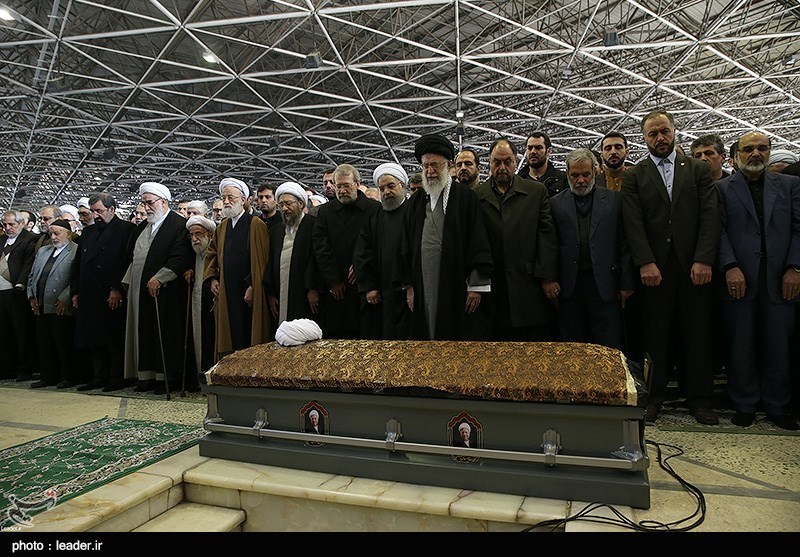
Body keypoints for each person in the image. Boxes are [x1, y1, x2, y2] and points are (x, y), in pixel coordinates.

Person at [621, 109, 721, 425]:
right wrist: (645, 262)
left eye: (664, 131)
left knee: (697, 335)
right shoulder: (634, 175)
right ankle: (653, 397)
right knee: (655, 337)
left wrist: (704, 259)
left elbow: (710, 215)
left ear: (675, 131)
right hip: (655, 271)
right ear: (644, 138)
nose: (660, 138)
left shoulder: (697, 170)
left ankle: (700, 400)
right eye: (653, 134)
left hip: (694, 268)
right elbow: (633, 222)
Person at [717, 131, 800, 431]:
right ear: (736, 156)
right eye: (748, 149)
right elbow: (718, 230)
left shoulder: (789, 185)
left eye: (761, 148)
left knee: (779, 344)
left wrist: (795, 268)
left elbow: (798, 228)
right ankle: (744, 404)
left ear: (769, 151)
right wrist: (730, 266)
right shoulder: (722, 189)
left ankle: (777, 405)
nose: (755, 154)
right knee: (741, 343)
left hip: (780, 278)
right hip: (740, 277)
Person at [399, 134, 493, 340]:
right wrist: (410, 287)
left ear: (449, 165)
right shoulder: (415, 203)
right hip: (422, 283)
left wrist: (476, 287)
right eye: (425, 166)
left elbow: (478, 242)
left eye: (435, 165)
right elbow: (405, 246)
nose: (430, 171)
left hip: (456, 283)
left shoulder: (466, 198)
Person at [549, 148, 635, 350]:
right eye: (575, 175)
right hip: (570, 288)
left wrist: (627, 283)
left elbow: (624, 244)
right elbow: (550, 245)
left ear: (595, 171)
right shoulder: (554, 204)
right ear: (567, 174)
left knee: (609, 347)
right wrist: (549, 279)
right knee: (572, 349)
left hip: (605, 287)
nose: (581, 180)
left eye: (586, 174)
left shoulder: (614, 200)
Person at [473, 138, 557, 341]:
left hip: (529, 286)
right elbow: (473, 243)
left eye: (507, 162)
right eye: (496, 162)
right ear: (489, 163)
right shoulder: (476, 196)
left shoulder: (536, 192)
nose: (502, 167)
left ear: (516, 161)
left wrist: (547, 276)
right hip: (492, 289)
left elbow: (546, 236)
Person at [123, 182, 193, 394]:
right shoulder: (143, 227)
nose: (146, 208)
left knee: (165, 333)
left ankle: (166, 377)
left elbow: (181, 256)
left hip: (167, 292)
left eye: (150, 203)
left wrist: (161, 278)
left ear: (163, 202)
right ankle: (146, 376)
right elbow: (133, 258)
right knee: (143, 331)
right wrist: (127, 282)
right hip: (140, 290)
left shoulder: (179, 225)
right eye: (144, 203)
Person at [72, 193, 137, 392]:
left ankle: (116, 377)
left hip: (111, 292)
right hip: (89, 293)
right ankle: (99, 376)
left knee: (113, 338)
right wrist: (75, 291)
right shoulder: (88, 232)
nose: (95, 215)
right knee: (94, 338)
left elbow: (125, 261)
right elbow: (79, 264)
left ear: (111, 209)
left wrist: (116, 288)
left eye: (99, 211)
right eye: (93, 211)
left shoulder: (126, 229)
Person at [204, 177, 271, 360]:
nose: (226, 201)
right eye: (224, 198)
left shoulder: (255, 224)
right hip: (227, 290)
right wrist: (213, 278)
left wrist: (252, 285)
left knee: (247, 334)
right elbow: (212, 253)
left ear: (243, 200)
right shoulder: (222, 227)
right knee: (229, 335)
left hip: (248, 291)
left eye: (230, 197)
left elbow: (262, 260)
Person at [313, 164, 380, 339]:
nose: (342, 191)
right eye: (338, 186)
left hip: (365, 284)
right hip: (337, 288)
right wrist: (333, 279)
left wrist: (361, 267)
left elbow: (377, 244)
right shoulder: (326, 212)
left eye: (346, 186)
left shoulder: (374, 209)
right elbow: (321, 247)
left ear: (357, 184)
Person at [353, 162, 412, 340]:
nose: (386, 192)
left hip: (407, 290)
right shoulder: (375, 217)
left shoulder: (414, 213)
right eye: (382, 188)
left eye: (391, 186)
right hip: (381, 292)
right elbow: (363, 252)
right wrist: (369, 286)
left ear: (402, 185)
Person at [26, 218, 78, 389]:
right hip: (41, 304)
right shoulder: (43, 251)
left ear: (68, 234)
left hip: (60, 305)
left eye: (57, 233)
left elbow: (76, 279)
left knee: (63, 343)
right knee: (45, 342)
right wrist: (31, 296)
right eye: (51, 234)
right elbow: (32, 276)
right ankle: (48, 376)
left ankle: (68, 376)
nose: (53, 237)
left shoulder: (75, 251)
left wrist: (65, 298)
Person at [264, 182, 323, 330]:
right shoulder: (277, 230)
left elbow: (317, 259)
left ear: (301, 203)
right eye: (281, 205)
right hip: (280, 291)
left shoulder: (313, 225)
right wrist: (270, 294)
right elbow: (270, 262)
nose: (284, 208)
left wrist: (313, 288)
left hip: (305, 292)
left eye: (288, 204)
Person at [0, 210, 38, 380]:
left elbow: (28, 265)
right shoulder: (1, 240)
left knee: (22, 332)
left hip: (17, 292)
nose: (7, 228)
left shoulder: (30, 239)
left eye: (11, 224)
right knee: (4, 332)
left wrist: (20, 284)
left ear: (22, 223)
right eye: (5, 224)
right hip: (1, 293)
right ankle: (6, 368)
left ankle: (24, 369)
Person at [185, 215, 216, 385]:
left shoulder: (215, 252)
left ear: (209, 234)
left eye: (198, 234)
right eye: (192, 235)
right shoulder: (193, 254)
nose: (195, 239)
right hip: (196, 303)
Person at [518, 131, 568, 197]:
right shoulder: (516, 182)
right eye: (529, 148)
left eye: (538, 148)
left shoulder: (563, 180)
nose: (533, 151)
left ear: (549, 151)